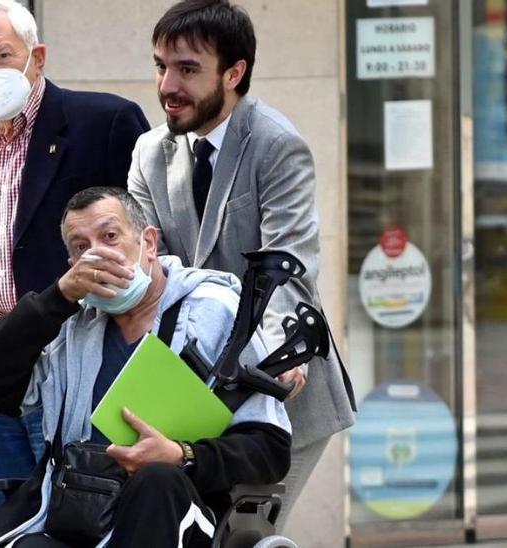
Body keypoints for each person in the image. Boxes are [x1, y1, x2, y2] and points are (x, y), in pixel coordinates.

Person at [126, 0, 355, 525]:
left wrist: (277, 354)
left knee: (242, 536)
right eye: (161, 66)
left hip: (281, 392)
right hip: (189, 392)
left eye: (187, 69)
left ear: (234, 73)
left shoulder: (276, 144)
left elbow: (288, 266)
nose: (166, 85)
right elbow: (150, 268)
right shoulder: (148, 153)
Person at [0, 188, 290, 547]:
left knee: (157, 480)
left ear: (149, 243)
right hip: (79, 509)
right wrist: (58, 297)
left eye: (110, 236)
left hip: (171, 509)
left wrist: (183, 456)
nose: (97, 254)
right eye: (80, 247)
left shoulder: (216, 312)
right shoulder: (73, 328)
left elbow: (269, 450)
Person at [0, 0, 151, 515]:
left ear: (38, 56)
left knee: (91, 515)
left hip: (84, 357)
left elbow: (151, 244)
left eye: (3, 55)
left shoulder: (106, 122)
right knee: (10, 520)